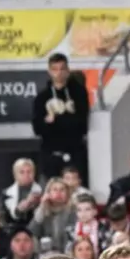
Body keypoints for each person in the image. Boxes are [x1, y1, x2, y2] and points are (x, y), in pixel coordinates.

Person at [32, 53, 89, 182]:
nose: (59, 73)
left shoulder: (79, 93)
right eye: (55, 69)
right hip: (51, 155)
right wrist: (66, 119)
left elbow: (81, 124)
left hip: (75, 153)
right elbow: (38, 128)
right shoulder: (42, 97)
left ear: (68, 70)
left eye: (62, 69)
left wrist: (54, 121)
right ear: (49, 71)